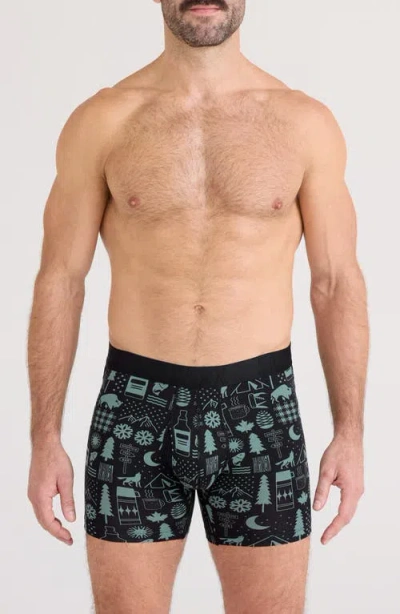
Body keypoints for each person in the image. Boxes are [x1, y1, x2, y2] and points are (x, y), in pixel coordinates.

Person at [26, 1, 369, 612]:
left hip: (261, 411)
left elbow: (336, 282)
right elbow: (61, 280)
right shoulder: (103, 120)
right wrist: (43, 437)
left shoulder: (303, 123)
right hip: (134, 406)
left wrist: (351, 433)